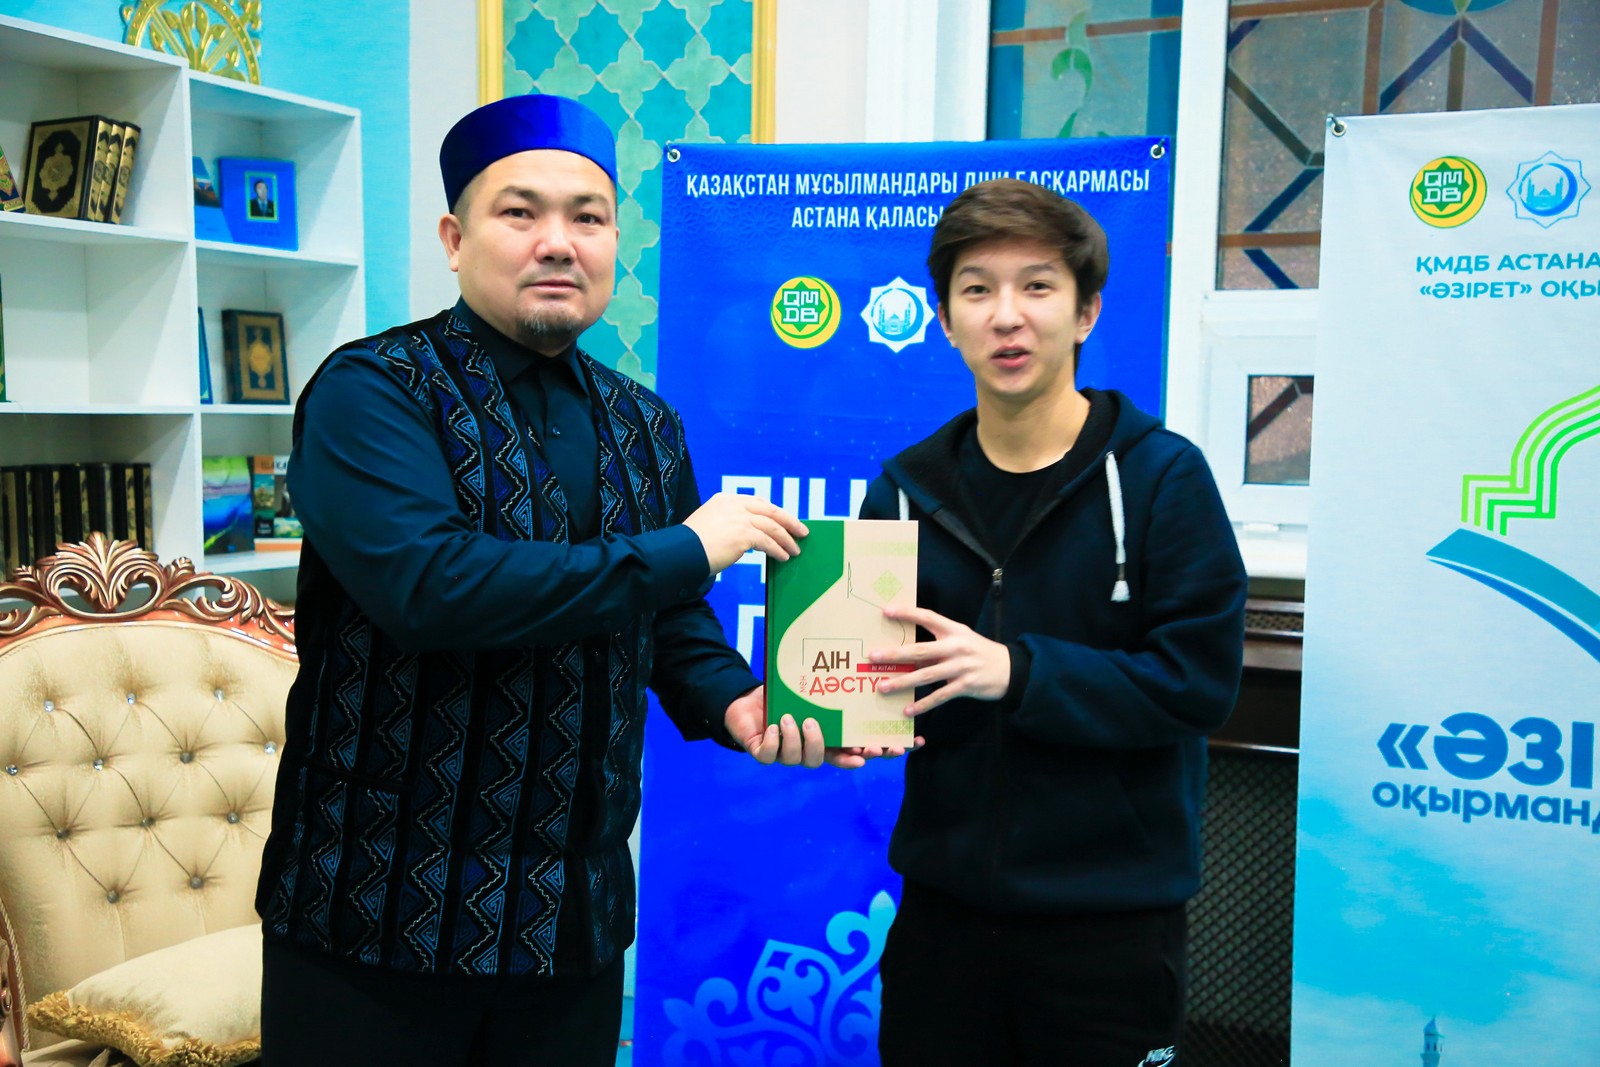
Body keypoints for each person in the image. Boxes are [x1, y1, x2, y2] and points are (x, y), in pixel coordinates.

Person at [255, 93, 859, 1067]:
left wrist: (735, 700)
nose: (558, 242)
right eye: (519, 212)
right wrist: (684, 548)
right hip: (376, 917)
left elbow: (669, 619)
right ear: (455, 239)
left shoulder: (644, 422)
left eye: (588, 217)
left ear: (614, 242)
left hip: (569, 923)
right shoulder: (373, 391)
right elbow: (432, 586)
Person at [858, 178, 1248, 1066]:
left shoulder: (1162, 478)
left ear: (1085, 312)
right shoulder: (905, 490)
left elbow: (1198, 684)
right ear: (944, 319)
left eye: (1037, 286)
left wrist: (1020, 672)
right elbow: (879, 677)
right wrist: (831, 712)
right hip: (944, 920)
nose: (1007, 316)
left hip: (1110, 926)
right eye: (977, 289)